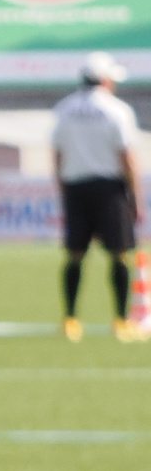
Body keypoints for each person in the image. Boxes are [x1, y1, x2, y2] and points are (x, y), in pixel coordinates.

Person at [51, 51, 143, 343]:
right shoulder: (117, 110)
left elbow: (56, 152)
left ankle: (70, 318)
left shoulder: (64, 109)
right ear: (104, 80)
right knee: (120, 254)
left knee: (75, 255)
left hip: (76, 187)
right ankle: (121, 319)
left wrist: (62, 186)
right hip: (109, 189)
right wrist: (135, 196)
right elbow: (126, 155)